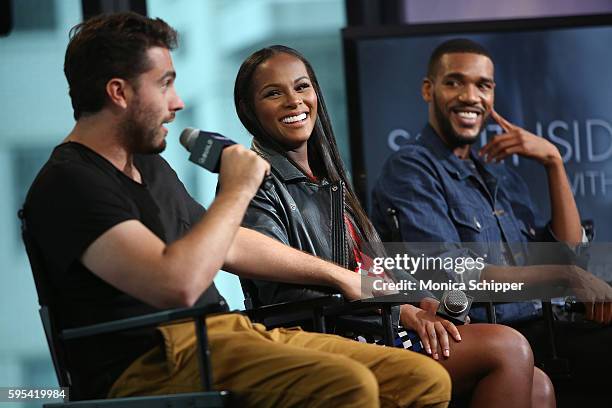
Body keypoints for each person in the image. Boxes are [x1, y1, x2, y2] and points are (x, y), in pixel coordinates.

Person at [23, 13, 453, 407]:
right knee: (349, 384)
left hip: (222, 334)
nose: (177, 103)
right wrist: (236, 189)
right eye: (164, 84)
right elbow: (177, 284)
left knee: (421, 378)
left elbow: (231, 242)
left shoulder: (149, 166)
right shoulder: (69, 183)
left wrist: (342, 276)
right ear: (118, 92)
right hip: (152, 363)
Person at [235, 45, 555, 408]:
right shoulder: (255, 179)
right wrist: (399, 309)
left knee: (539, 384)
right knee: (508, 348)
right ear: (248, 109)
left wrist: (419, 301)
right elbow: (290, 289)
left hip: (378, 325)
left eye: (302, 87)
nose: (294, 101)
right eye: (273, 93)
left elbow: (374, 272)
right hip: (336, 339)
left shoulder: (329, 181)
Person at [370, 38, 611, 394]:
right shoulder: (411, 169)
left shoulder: (498, 173)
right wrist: (565, 274)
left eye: (483, 85)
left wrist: (553, 162)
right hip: (489, 332)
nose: (470, 96)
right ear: (428, 90)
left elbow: (568, 254)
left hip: (546, 322)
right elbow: (453, 275)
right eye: (454, 82)